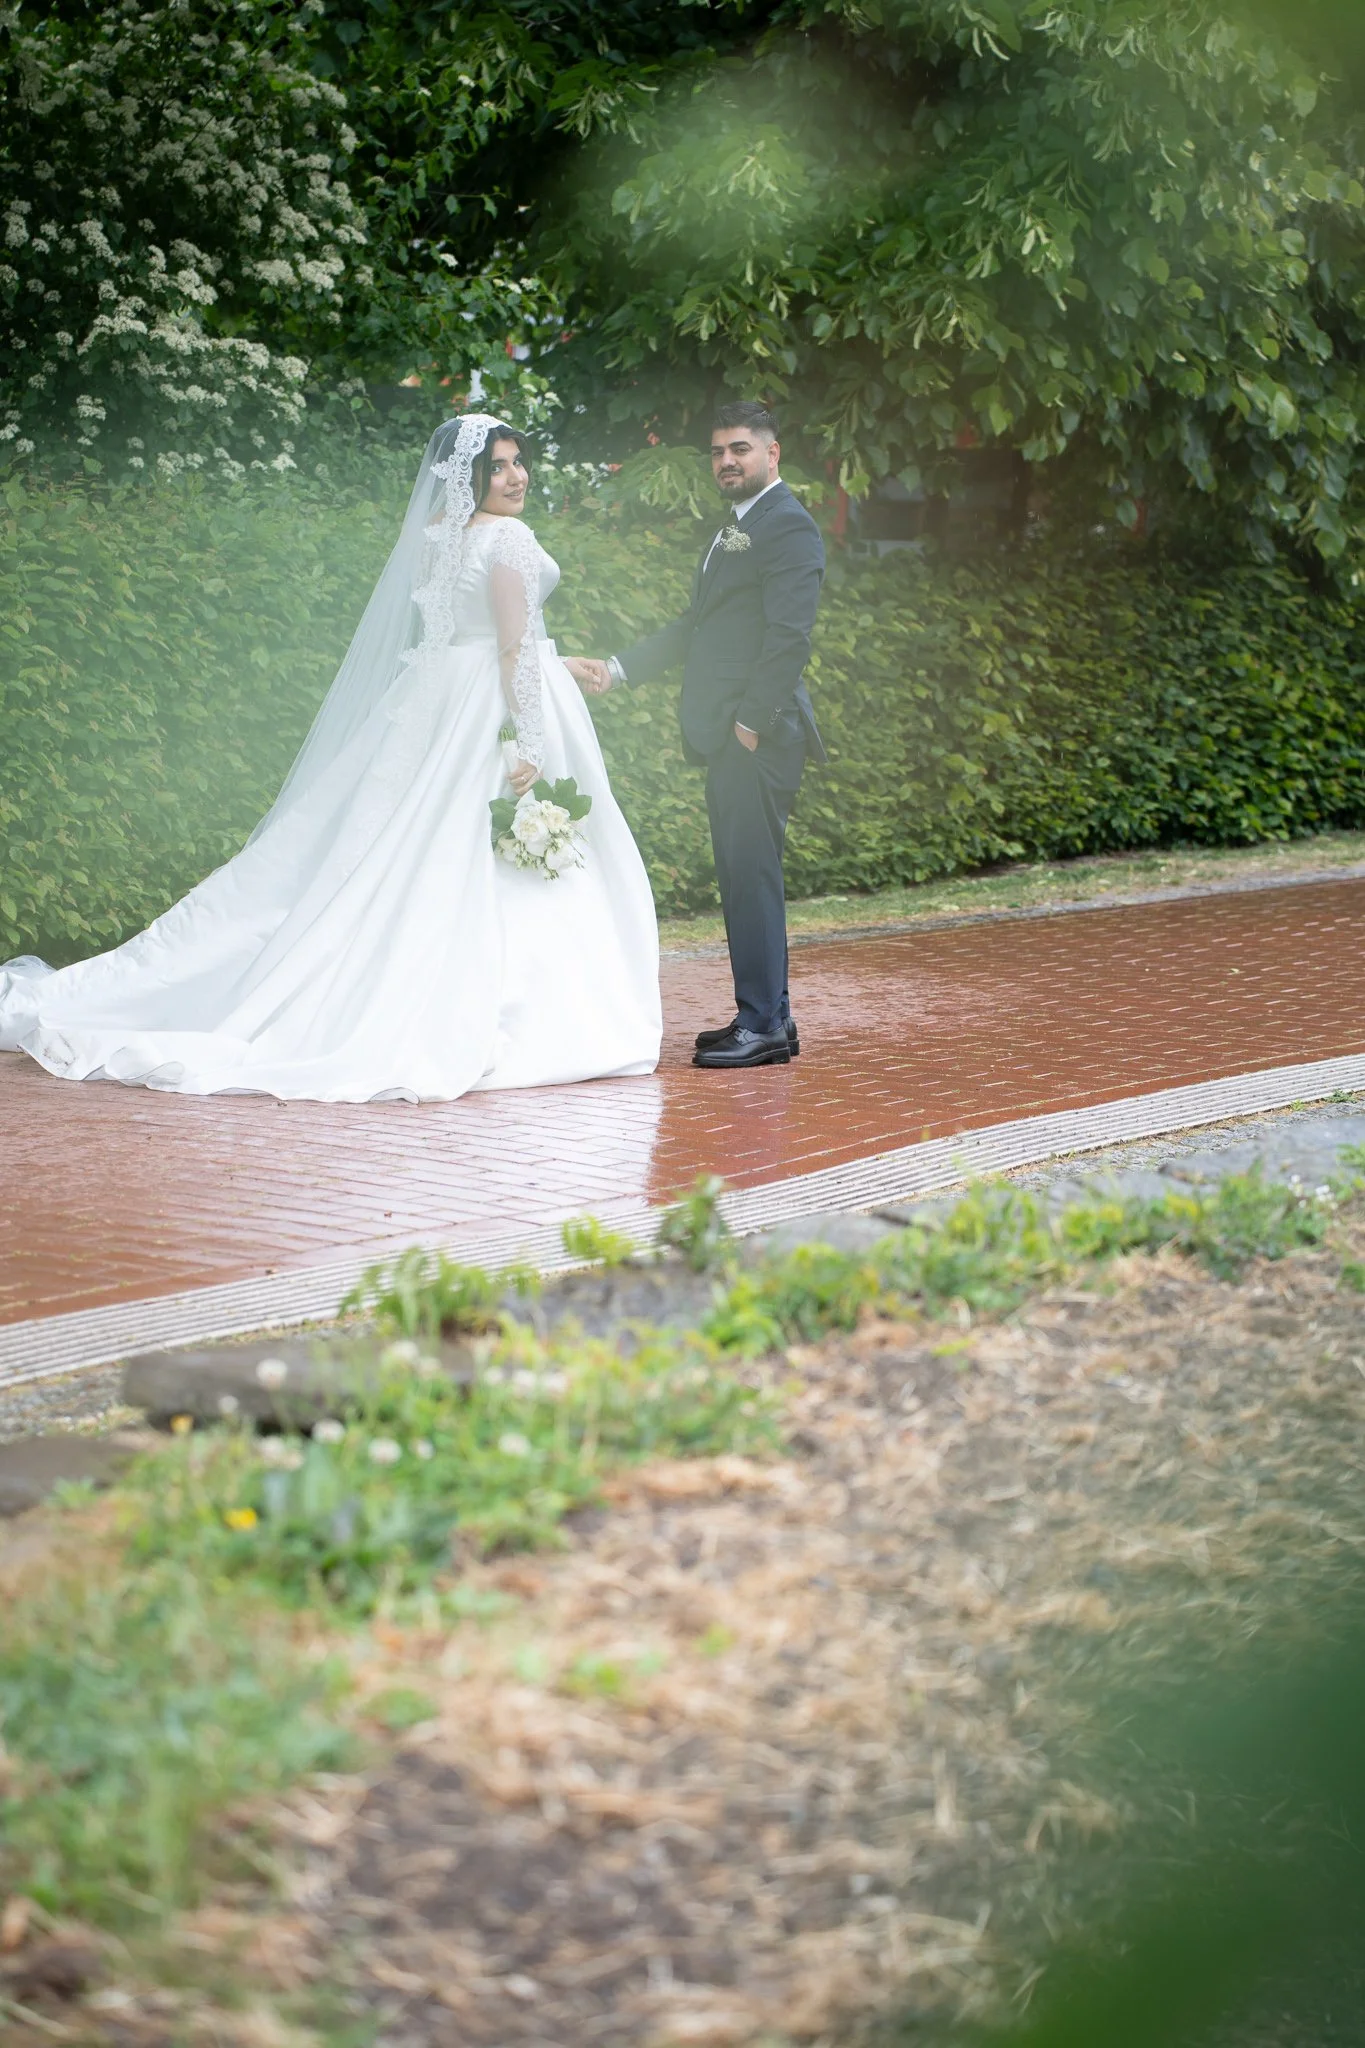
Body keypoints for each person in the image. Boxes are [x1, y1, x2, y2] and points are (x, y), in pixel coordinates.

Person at [0, 415, 661, 1102]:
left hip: (440, 697)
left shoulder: (437, 537)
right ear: (467, 478)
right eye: (497, 467)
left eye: (519, 462)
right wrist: (527, 741)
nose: (516, 477)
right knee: (472, 855)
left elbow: (477, 633)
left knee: (404, 847)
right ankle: (544, 1009)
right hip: (494, 706)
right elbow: (508, 648)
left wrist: (557, 659)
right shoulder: (510, 538)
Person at [582, 402, 826, 1069]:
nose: (726, 461)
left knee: (750, 875)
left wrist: (748, 723)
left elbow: (788, 637)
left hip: (759, 735)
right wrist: (617, 669)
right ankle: (768, 1014)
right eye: (717, 452)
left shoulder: (788, 528)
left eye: (740, 449)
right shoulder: (735, 528)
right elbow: (697, 628)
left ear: (772, 454)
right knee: (743, 874)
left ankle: (763, 1023)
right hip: (732, 736)